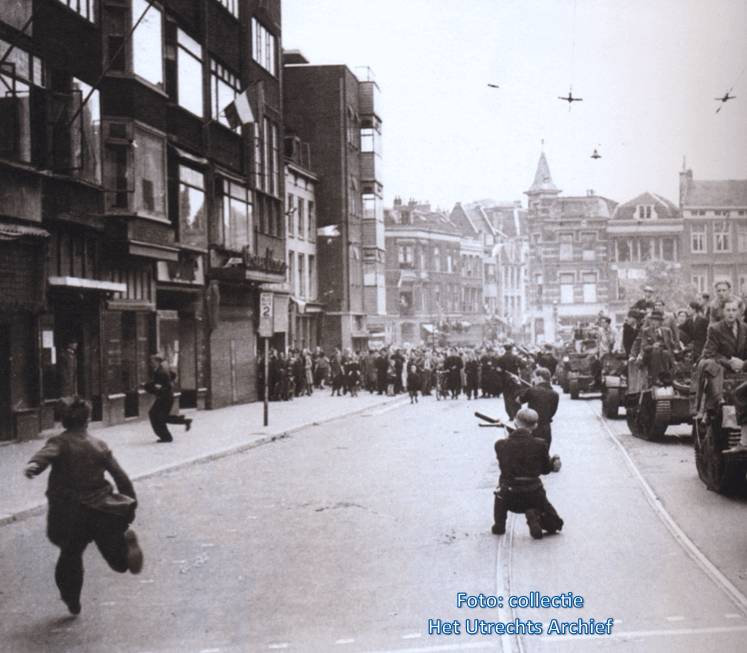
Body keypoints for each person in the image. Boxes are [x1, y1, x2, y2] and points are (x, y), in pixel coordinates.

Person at [24, 396, 143, 615]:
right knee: (115, 559)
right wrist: (129, 505)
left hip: (72, 512)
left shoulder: (59, 441)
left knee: (70, 555)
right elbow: (120, 476)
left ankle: (72, 600)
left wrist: (34, 465)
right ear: (87, 421)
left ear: (63, 422)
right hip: (102, 510)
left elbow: (45, 455)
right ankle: (126, 551)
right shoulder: (99, 445)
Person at [491, 408, 563, 540]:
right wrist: (553, 461)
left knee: (500, 493)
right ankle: (534, 514)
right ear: (535, 426)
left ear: (515, 423)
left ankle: (499, 524)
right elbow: (545, 470)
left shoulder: (500, 445)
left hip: (509, 495)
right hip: (534, 495)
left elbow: (506, 462)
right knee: (556, 524)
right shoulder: (540, 444)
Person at [696, 297, 747, 423]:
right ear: (723, 312)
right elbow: (710, 352)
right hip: (722, 364)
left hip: (742, 365)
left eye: (734, 310)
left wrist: (743, 364)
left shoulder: (745, 328)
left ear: (739, 312)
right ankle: (715, 403)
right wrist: (731, 363)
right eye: (728, 310)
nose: (731, 313)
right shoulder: (715, 328)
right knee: (713, 366)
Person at [144, 354, 192, 442]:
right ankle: (183, 422)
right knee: (161, 416)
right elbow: (173, 375)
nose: (150, 364)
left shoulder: (159, 372)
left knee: (154, 415)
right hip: (168, 397)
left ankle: (166, 436)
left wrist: (148, 386)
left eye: (152, 361)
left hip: (164, 398)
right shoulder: (162, 370)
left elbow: (159, 387)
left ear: (157, 362)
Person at [516, 367, 559, 447]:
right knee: (544, 452)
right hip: (546, 427)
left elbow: (518, 400)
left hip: (532, 426)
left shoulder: (532, 390)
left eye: (534, 377)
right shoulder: (555, 394)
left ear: (539, 378)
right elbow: (553, 411)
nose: (533, 380)